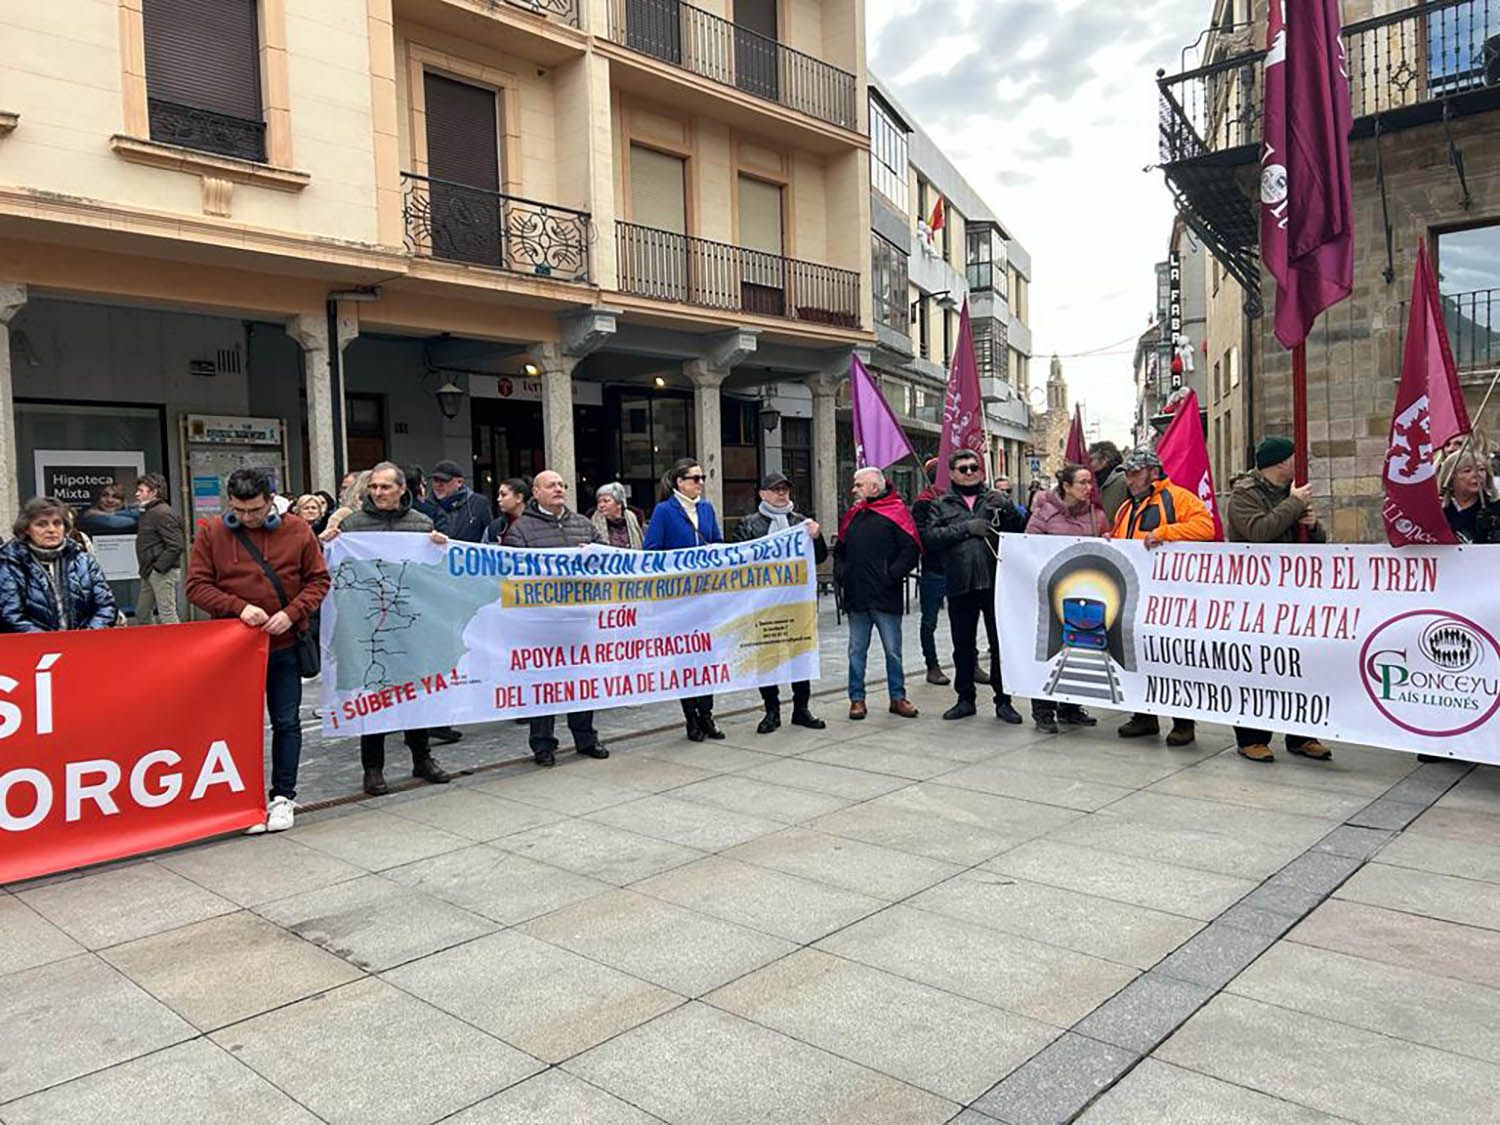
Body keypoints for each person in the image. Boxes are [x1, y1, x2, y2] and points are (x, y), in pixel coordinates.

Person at [186, 468, 330, 833]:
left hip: (282, 643)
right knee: (238, 726)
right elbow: (196, 586)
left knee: (286, 721)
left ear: (271, 501)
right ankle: (243, 800)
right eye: (239, 510)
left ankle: (283, 795)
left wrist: (292, 613)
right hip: (234, 647)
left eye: (254, 510)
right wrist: (238, 608)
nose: (247, 518)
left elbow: (318, 580)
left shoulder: (297, 530)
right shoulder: (213, 531)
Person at [324, 462, 455, 794]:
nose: (378, 493)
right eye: (373, 487)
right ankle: (373, 768)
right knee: (375, 696)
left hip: (410, 624)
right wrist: (327, 543)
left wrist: (439, 548)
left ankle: (422, 758)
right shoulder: (353, 526)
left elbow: (434, 575)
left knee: (415, 694)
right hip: (369, 625)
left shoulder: (421, 524)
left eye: (385, 487)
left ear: (401, 490)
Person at [1224, 436, 1334, 763]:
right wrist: (1295, 505)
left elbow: (1317, 542)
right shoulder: (1244, 496)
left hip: (1293, 593)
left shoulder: (1292, 494)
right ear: (1279, 463)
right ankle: (1252, 737)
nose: (1299, 464)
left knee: (1299, 662)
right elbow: (1260, 531)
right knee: (1256, 665)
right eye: (1294, 458)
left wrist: (1313, 528)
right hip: (1256, 595)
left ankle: (1302, 734)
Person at [503, 470, 611, 767]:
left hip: (579, 620)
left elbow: (610, 562)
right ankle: (543, 744)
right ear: (535, 493)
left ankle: (585, 738)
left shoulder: (583, 525)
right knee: (544, 685)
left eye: (562, 485)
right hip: (542, 624)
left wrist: (595, 555)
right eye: (551, 485)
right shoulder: (521, 531)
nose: (559, 489)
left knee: (581, 682)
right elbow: (512, 576)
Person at [1111, 447, 1216, 747]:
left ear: (1152, 472)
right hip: (1135, 595)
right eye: (1127, 474)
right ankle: (1144, 715)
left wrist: (1165, 532)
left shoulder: (1179, 498)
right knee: (1138, 655)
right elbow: (1124, 539)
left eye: (1134, 473)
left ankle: (1183, 722)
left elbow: (1206, 527)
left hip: (1170, 597)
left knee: (1172, 656)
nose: (1129, 480)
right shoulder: (1126, 507)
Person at [920, 451, 1027, 724]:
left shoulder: (992, 499)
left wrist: (1008, 507)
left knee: (999, 645)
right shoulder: (941, 504)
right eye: (963, 468)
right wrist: (967, 528)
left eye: (973, 467)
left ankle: (1004, 700)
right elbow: (931, 538)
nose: (969, 472)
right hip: (960, 582)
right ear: (952, 473)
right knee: (963, 645)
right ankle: (965, 698)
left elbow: (1020, 531)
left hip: (995, 582)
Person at [734, 470, 827, 734]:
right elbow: (739, 560)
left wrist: (816, 537)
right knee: (768, 658)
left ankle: (801, 709)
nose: (781, 493)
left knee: (800, 655)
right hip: (764, 604)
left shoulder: (801, 522)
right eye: (775, 489)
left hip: (797, 604)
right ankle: (771, 711)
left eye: (784, 489)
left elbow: (819, 558)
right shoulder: (749, 524)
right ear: (763, 493)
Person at [644, 458, 726, 740]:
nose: (700, 482)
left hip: (705, 598)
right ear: (679, 482)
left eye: (702, 477)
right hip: (677, 600)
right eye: (695, 478)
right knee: (685, 659)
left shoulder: (706, 508)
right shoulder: (664, 511)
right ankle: (690, 717)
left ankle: (707, 714)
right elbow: (652, 550)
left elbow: (717, 542)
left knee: (707, 657)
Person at [1024, 463, 1108, 733]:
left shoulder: (1097, 515)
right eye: (1082, 482)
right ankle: (1043, 710)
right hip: (1051, 593)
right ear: (1067, 486)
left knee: (1079, 650)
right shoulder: (1044, 512)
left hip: (1083, 592)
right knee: (1050, 650)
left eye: (1090, 482)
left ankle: (1071, 707)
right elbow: (1029, 545)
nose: (1088, 487)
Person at [836, 466, 920, 720]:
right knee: (856, 651)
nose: (854, 490)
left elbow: (910, 550)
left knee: (892, 650)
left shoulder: (896, 513)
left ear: (874, 486)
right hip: (857, 595)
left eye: (858, 485)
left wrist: (890, 576)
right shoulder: (853, 514)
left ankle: (897, 697)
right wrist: (843, 574)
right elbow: (840, 550)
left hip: (885, 595)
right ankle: (857, 699)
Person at [0, 497, 118, 632]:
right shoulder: (10, 562)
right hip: (31, 649)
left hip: (84, 646)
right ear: (27, 529)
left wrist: (85, 636)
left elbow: (106, 606)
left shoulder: (84, 561)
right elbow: (9, 614)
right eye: (41, 524)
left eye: (57, 523)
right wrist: (52, 642)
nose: (51, 530)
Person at [911, 458, 950, 686]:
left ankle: (971, 661)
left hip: (958, 568)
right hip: (934, 569)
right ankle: (932, 665)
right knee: (929, 621)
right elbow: (924, 537)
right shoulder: (923, 503)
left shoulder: (958, 500)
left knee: (965, 619)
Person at [133, 472, 185, 625]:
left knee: (167, 614)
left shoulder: (162, 513)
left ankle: (178, 646)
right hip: (149, 570)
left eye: (141, 491)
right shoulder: (149, 512)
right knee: (142, 613)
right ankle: (152, 645)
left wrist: (159, 568)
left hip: (161, 571)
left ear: (154, 492)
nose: (137, 494)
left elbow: (176, 545)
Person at [1440, 449, 1500, 544]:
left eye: (1481, 469)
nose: (1477, 475)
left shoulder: (1495, 508)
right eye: (1467, 471)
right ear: (1451, 477)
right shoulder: (1438, 509)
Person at [430, 459, 494, 543]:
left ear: (459, 482)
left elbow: (489, 537)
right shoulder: (426, 505)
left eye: (444, 480)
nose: (438, 485)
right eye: (435, 480)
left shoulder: (479, 504)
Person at [591, 481, 644, 548]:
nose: (601, 505)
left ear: (619, 504)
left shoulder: (634, 521)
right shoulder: (592, 524)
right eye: (599, 502)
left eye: (606, 501)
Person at [321, 470, 370, 541]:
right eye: (343, 488)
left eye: (347, 488)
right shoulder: (341, 515)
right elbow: (329, 542)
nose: (341, 493)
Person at [1090, 441, 1129, 523]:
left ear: (1105, 459)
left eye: (1091, 460)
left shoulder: (1124, 481)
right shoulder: (1095, 481)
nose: (1089, 464)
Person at [483, 478, 530, 544]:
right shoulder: (495, 527)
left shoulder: (538, 524)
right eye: (499, 495)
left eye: (503, 495)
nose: (498, 499)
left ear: (519, 498)